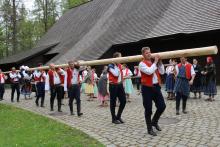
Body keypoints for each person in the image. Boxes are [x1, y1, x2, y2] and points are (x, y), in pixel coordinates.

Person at [139, 47, 166, 136]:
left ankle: (154, 121)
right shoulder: (141, 64)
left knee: (162, 106)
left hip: (156, 87)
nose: (149, 54)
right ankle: (149, 128)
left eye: (150, 52)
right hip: (147, 88)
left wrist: (160, 62)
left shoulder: (154, 62)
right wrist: (155, 62)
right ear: (143, 55)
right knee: (148, 109)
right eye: (147, 53)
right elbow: (149, 72)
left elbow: (162, 72)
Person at [108, 52, 126, 124]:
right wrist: (119, 68)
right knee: (113, 102)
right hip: (113, 85)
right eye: (120, 57)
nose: (121, 58)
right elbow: (115, 74)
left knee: (123, 101)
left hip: (119, 85)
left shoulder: (119, 65)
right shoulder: (110, 65)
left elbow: (121, 75)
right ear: (115, 58)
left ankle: (118, 116)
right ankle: (113, 118)